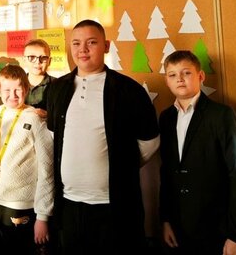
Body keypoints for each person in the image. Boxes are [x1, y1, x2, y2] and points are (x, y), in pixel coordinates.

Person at [47, 19, 160, 253]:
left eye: (91, 42)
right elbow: (54, 137)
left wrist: (122, 165)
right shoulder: (57, 89)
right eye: (76, 43)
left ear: (106, 46)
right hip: (69, 205)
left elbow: (150, 142)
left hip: (115, 207)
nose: (83, 49)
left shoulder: (129, 90)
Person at [159, 50, 236, 255]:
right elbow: (166, 172)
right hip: (178, 226)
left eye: (186, 73)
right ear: (167, 81)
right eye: (172, 75)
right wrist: (165, 219)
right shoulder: (165, 118)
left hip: (216, 227)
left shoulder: (221, 115)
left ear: (200, 76)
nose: (179, 79)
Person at [0, 64, 53, 255]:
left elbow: (47, 169)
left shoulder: (35, 119)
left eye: (18, 89)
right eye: (7, 90)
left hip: (20, 206)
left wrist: (42, 217)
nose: (12, 95)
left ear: (26, 89)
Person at [23, 38, 54, 118]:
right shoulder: (16, 84)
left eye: (43, 57)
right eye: (32, 57)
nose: (37, 62)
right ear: (24, 60)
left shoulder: (58, 86)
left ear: (49, 61)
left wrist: (49, 116)